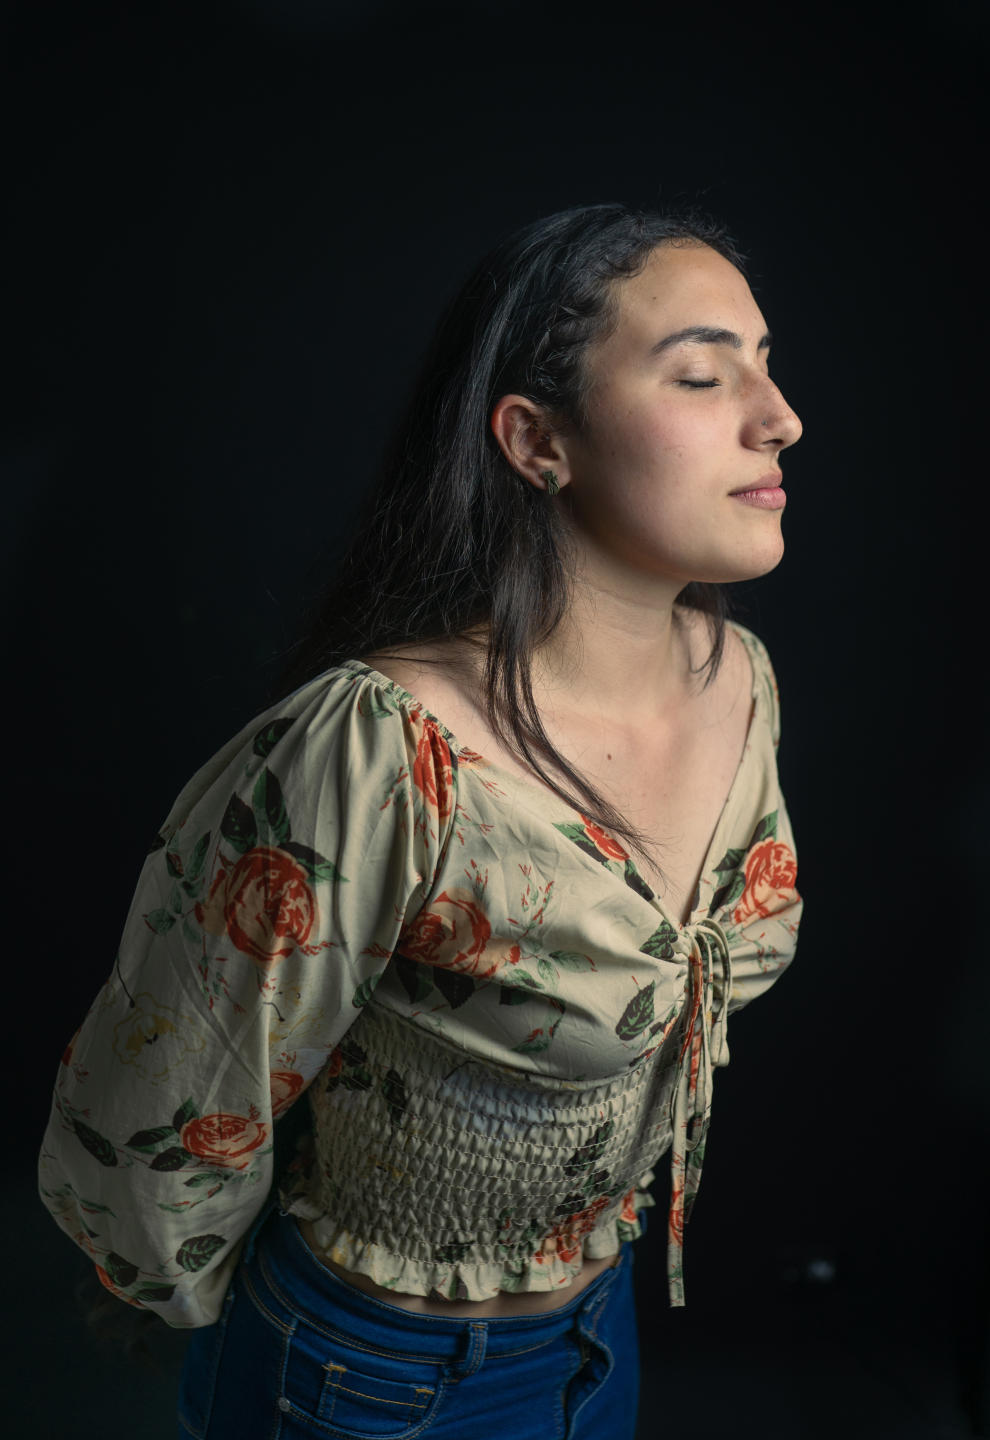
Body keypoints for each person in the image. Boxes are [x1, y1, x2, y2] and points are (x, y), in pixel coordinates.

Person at [38, 202, 804, 1440]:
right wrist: (202, 1312)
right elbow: (168, 1097)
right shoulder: (382, 746)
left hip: (599, 1336)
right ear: (537, 440)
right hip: (363, 1376)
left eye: (768, 365)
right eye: (705, 374)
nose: (780, 417)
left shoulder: (740, 680)